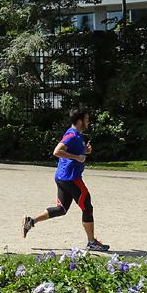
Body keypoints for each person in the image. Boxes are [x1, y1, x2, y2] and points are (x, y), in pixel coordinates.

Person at [22, 107, 109, 251]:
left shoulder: (78, 136)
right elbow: (57, 151)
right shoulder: (72, 135)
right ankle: (91, 242)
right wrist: (76, 157)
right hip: (71, 178)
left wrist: (85, 151)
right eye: (86, 119)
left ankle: (30, 221)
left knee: (61, 209)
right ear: (80, 120)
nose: (88, 121)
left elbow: (75, 151)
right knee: (87, 206)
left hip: (63, 177)